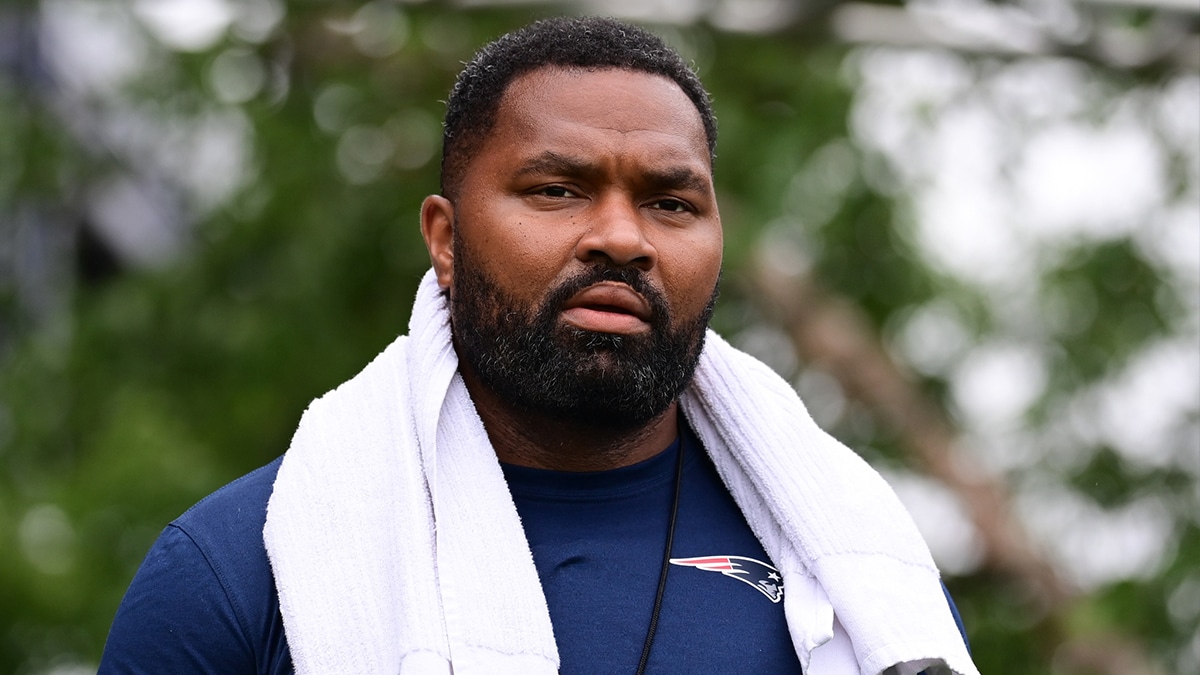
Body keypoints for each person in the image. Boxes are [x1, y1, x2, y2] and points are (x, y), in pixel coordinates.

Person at [99, 16, 979, 675]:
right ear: (445, 240)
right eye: (558, 189)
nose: (623, 238)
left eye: (672, 203)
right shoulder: (239, 569)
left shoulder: (861, 571)